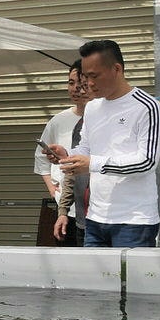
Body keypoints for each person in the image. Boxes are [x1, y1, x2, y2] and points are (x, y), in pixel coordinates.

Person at [48, 39, 160, 248]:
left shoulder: (147, 107)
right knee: (93, 281)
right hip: (95, 217)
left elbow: (146, 162)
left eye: (94, 76)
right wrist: (67, 157)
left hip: (134, 220)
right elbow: (86, 148)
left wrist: (91, 164)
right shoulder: (93, 108)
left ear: (117, 69)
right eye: (85, 76)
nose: (88, 83)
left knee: (131, 281)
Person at [41, 61, 90, 246]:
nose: (77, 89)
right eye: (71, 83)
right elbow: (42, 159)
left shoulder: (102, 118)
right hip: (70, 205)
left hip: (98, 211)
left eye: (82, 84)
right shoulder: (59, 120)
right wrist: (53, 189)